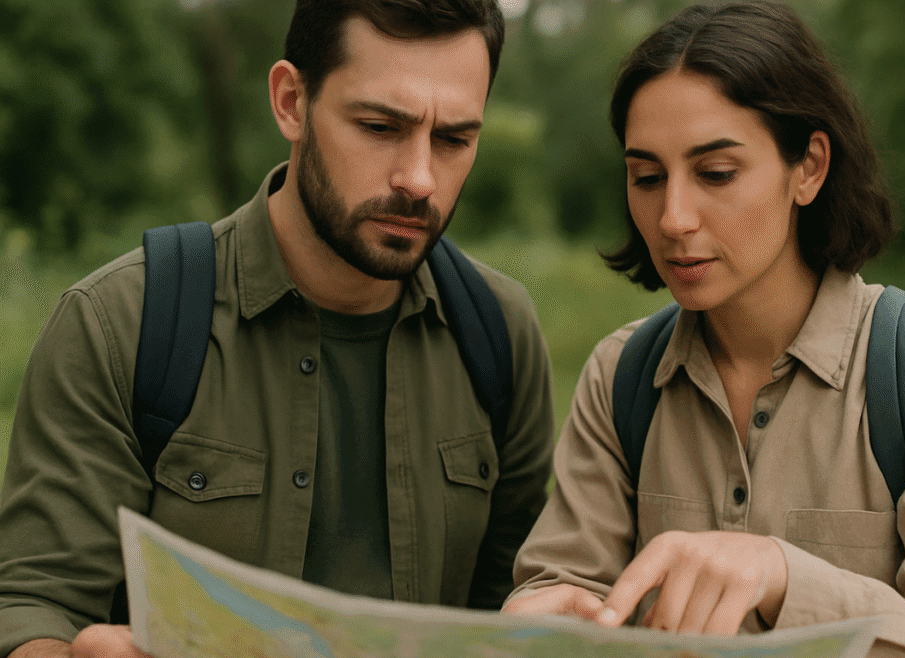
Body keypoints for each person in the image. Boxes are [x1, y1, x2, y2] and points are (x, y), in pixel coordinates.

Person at [502, 2, 905, 656]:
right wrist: (543, 615)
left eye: (716, 173)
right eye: (647, 177)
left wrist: (782, 577)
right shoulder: (622, 374)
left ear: (809, 167)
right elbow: (562, 580)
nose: (673, 217)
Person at [0, 1, 555, 657]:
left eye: (454, 139)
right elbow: (36, 603)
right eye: (379, 126)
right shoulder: (121, 322)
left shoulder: (499, 330)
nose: (419, 178)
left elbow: (509, 609)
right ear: (292, 102)